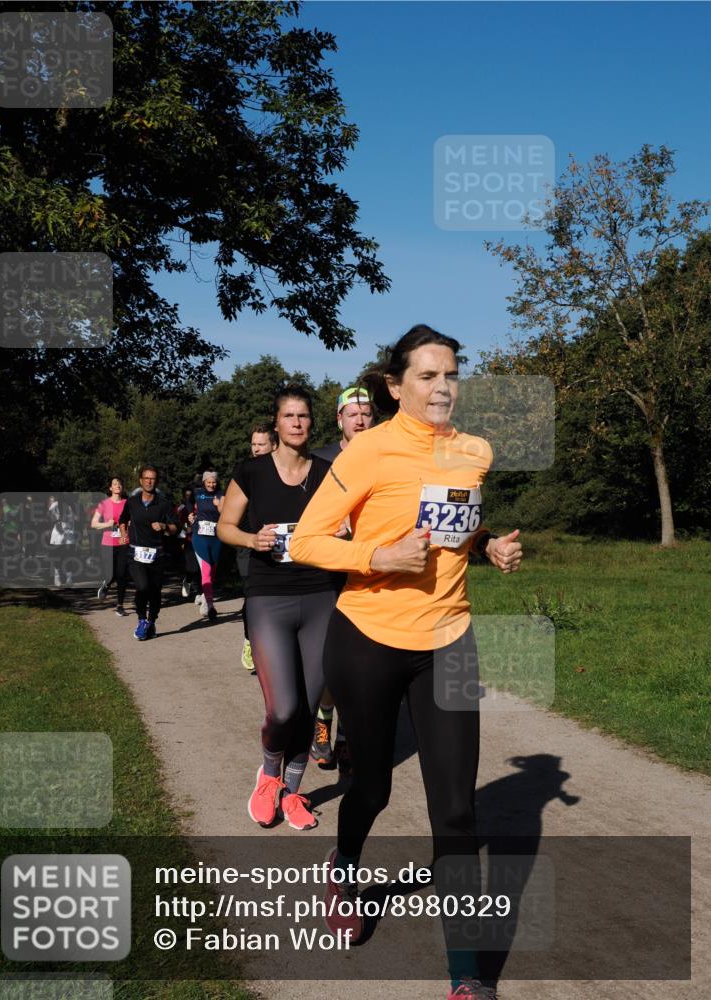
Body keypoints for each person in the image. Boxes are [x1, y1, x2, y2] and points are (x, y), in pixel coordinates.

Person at [290, 325, 523, 1000]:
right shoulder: (368, 451)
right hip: (366, 640)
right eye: (426, 375)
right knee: (374, 788)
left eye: (450, 374)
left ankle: (465, 975)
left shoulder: (474, 450)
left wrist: (487, 549)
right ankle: (345, 864)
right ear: (396, 386)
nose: (442, 386)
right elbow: (305, 541)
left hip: (448, 638)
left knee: (454, 812)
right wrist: (375, 557)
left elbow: (458, 525)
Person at [217, 385, 342, 832]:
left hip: (320, 595)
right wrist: (254, 540)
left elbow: (346, 524)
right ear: (276, 423)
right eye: (288, 416)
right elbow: (225, 526)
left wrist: (343, 534)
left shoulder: (328, 472)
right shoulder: (252, 471)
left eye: (303, 416)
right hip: (269, 595)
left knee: (308, 708)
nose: (296, 423)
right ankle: (269, 773)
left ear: (311, 423)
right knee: (284, 709)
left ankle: (292, 789)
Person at [310, 386, 376, 771]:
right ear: (339, 419)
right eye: (352, 413)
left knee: (362, 664)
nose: (360, 419)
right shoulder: (321, 460)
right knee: (331, 661)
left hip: (372, 573)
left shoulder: (386, 456)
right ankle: (324, 720)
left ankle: (348, 737)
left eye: (366, 412)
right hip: (329, 574)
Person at [119, 465, 178, 640]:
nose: (149, 481)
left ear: (156, 481)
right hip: (135, 553)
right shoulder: (132, 502)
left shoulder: (164, 503)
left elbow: (176, 527)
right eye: (146, 478)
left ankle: (151, 620)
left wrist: (164, 526)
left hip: (157, 554)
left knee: (155, 591)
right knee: (142, 586)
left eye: (152, 478)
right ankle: (141, 620)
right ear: (141, 481)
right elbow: (123, 519)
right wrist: (123, 534)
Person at [238, 422, 277, 672]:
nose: (256, 449)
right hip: (246, 544)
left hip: (277, 544)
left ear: (274, 445)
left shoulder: (286, 471)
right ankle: (250, 638)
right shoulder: (244, 472)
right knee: (252, 597)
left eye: (261, 444)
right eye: (253, 444)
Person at [188, 470, 225, 620]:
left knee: (212, 572)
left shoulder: (221, 494)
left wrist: (219, 505)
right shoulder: (197, 493)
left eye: (214, 482)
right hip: (200, 536)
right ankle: (210, 605)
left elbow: (227, 512)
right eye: (208, 482)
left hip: (216, 537)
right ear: (204, 482)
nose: (211, 484)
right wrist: (191, 513)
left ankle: (205, 597)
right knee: (206, 569)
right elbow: (188, 502)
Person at [91, 477, 130, 616]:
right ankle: (106, 584)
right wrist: (107, 524)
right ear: (110, 488)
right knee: (111, 574)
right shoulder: (104, 504)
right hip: (107, 544)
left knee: (122, 575)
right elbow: (93, 524)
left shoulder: (127, 503)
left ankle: (120, 606)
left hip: (123, 542)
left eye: (120, 483)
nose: (118, 485)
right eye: (114, 484)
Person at [176, 487, 200, 599]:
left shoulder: (201, 506)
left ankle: (200, 593)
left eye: (190, 495)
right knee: (192, 567)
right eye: (186, 495)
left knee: (201, 568)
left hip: (203, 540)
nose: (189, 497)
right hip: (189, 540)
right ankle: (188, 579)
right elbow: (181, 524)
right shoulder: (182, 509)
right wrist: (187, 528)